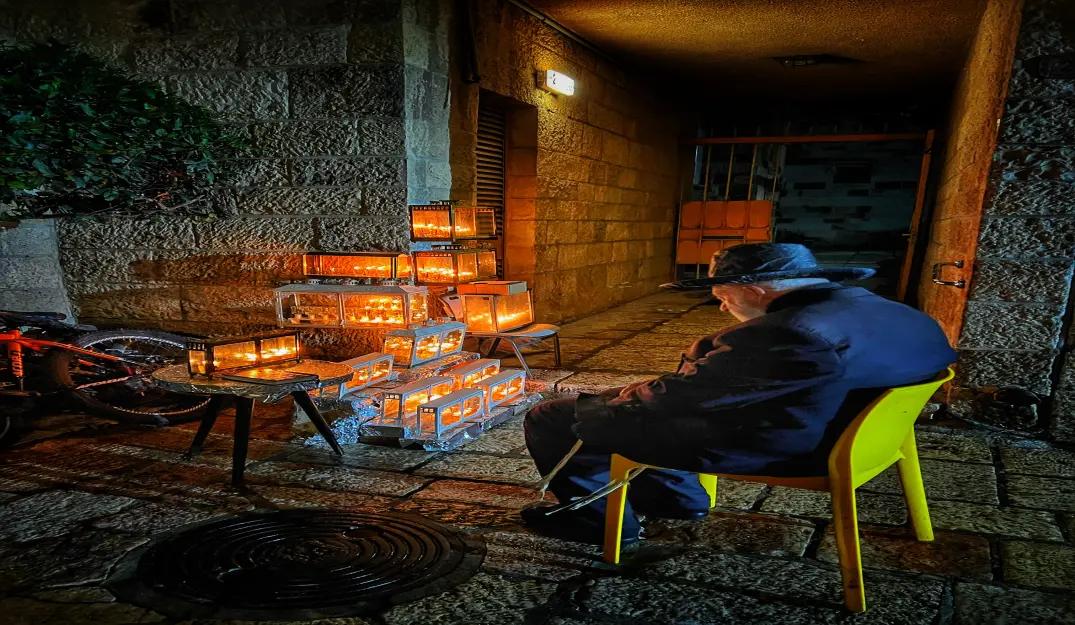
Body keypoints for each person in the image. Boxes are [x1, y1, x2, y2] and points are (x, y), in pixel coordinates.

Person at [522, 243, 956, 544]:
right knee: (628, 408)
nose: (724, 308)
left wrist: (606, 404)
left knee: (556, 416)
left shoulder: (791, 332)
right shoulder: (887, 309)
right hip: (864, 435)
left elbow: (685, 396)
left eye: (723, 297)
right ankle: (676, 500)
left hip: (794, 443)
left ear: (753, 290)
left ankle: (598, 524)